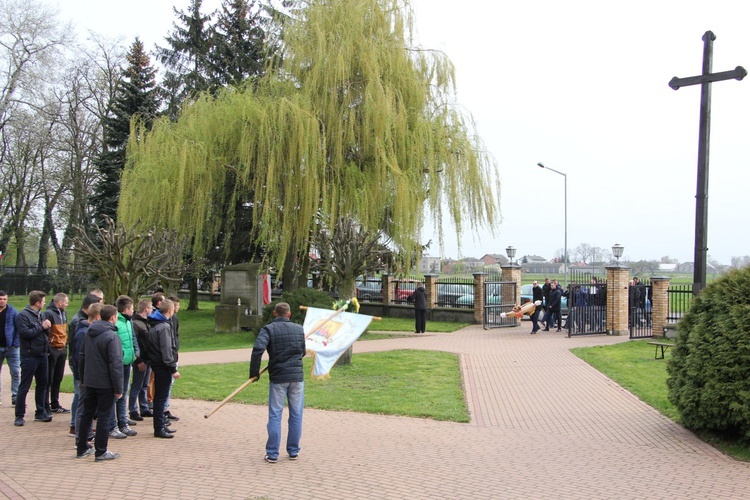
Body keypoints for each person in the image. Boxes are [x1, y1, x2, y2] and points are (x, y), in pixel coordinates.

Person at [250, 302, 306, 463]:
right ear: (289, 314)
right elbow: (302, 351)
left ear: (275, 313)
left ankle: (273, 453)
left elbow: (257, 350)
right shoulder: (299, 329)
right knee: (296, 414)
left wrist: (254, 373)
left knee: (275, 414)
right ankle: (293, 451)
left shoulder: (268, 329)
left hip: (279, 378)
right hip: (296, 377)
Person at [76, 304, 123, 461]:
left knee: (86, 414)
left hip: (90, 381)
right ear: (112, 317)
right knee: (104, 416)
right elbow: (115, 364)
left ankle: (82, 447)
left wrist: (83, 378)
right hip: (105, 383)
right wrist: (118, 388)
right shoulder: (111, 336)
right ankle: (101, 451)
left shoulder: (89, 332)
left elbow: (81, 356)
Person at [14, 291, 52, 426]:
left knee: (43, 384)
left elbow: (44, 333)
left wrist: (46, 328)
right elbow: (25, 333)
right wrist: (41, 327)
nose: (44, 303)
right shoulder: (23, 316)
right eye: (43, 301)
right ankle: (19, 415)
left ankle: (40, 411)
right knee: (25, 385)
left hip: (42, 354)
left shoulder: (40, 315)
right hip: (29, 355)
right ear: (37, 303)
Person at [68, 294, 103, 437]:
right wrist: (80, 374)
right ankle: (76, 427)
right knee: (80, 399)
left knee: (83, 400)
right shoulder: (80, 325)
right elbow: (78, 354)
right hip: (81, 370)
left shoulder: (84, 324)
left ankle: (83, 428)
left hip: (85, 370)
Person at [146, 299, 180, 439]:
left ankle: (161, 424)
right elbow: (166, 349)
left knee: (160, 396)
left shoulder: (155, 325)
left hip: (157, 363)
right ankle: (159, 427)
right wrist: (173, 368)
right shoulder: (164, 327)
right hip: (162, 365)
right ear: (170, 311)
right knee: (161, 397)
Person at [109, 296, 138, 439]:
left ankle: (123, 423)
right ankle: (112, 426)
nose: (134, 311)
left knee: (123, 393)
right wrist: (120, 356)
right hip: (118, 364)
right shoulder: (116, 323)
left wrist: (136, 353)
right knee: (116, 394)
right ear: (126, 310)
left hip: (128, 362)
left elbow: (133, 338)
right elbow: (113, 344)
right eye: (132, 308)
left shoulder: (129, 322)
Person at [129, 299, 154, 420]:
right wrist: (138, 360)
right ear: (146, 309)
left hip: (148, 358)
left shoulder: (147, 322)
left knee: (144, 384)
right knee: (137, 385)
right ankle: (133, 410)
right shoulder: (136, 323)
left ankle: (144, 408)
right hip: (141, 359)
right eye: (150, 308)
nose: (152, 310)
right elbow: (135, 344)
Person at [0, 291, 20, 406]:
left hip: (11, 348)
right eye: (0, 299)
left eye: (4, 299)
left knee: (16, 372)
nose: (2, 301)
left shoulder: (12, 312)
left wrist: (15, 343)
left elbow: (18, 328)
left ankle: (15, 396)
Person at [163, 295, 181, 421]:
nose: (178, 307)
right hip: (167, 357)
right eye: (177, 305)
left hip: (174, 354)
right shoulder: (165, 323)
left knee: (170, 384)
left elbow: (175, 335)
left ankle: (165, 407)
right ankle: (163, 409)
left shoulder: (175, 320)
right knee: (165, 384)